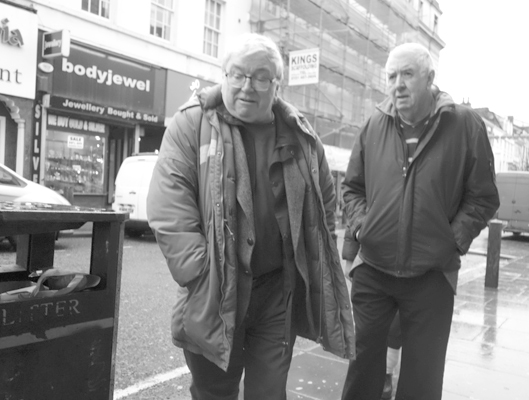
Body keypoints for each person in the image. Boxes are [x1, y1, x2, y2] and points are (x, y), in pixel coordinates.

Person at [146, 33, 355, 400]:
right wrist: (201, 274)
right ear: (223, 74)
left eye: (260, 77)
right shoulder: (192, 124)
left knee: (270, 391)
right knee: (214, 390)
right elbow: (169, 208)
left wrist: (317, 266)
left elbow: (323, 206)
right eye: (237, 74)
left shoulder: (301, 135)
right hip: (215, 289)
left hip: (277, 291)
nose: (247, 86)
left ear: (277, 84)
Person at [340, 42, 500, 400]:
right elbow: (352, 188)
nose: (397, 84)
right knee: (361, 367)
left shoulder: (464, 124)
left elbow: (484, 197)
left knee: (423, 378)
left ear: (430, 78)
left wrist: (451, 239)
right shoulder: (374, 124)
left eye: (407, 74)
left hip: (432, 273)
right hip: (374, 269)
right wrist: (363, 226)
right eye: (391, 76)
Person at [342, 227, 401, 400]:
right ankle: (384, 374)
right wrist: (350, 254)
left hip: (423, 257)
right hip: (373, 255)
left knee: (399, 324)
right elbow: (356, 202)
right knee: (366, 334)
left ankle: (388, 370)